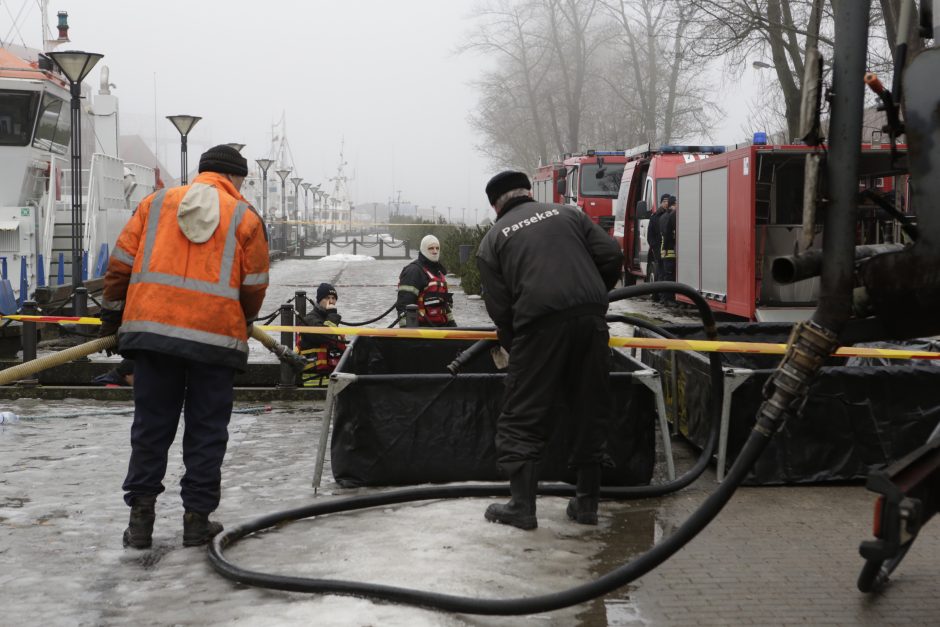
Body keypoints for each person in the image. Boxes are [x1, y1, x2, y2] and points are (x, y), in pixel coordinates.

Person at [99, 144, 269, 549]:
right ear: (235, 178)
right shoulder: (245, 217)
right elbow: (255, 284)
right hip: (215, 342)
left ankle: (140, 521)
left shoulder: (155, 203)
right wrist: (240, 319)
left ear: (202, 171)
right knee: (207, 431)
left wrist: (112, 314)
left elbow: (120, 263)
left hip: (153, 336)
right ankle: (196, 520)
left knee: (151, 428)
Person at [476, 170, 622, 530]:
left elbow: (500, 307)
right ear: (527, 192)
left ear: (496, 204)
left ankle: (522, 507)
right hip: (590, 322)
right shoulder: (569, 214)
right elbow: (611, 255)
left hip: (538, 327)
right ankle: (587, 505)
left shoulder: (493, 240)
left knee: (522, 415)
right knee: (590, 407)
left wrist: (517, 346)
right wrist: (590, 296)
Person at [395, 234, 456, 326]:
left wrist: (453, 326)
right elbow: (404, 305)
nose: (435, 251)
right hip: (422, 330)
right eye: (431, 248)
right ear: (423, 250)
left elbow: (445, 306)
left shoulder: (439, 273)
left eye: (437, 248)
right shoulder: (414, 271)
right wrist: (408, 333)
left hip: (440, 329)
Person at [296, 282, 346, 386]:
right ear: (319, 300)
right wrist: (332, 315)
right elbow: (324, 336)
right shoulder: (309, 320)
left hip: (330, 381)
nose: (331, 301)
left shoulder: (329, 319)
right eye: (327, 298)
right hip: (312, 383)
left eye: (333, 298)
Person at [646, 193, 670, 302]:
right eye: (664, 201)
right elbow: (650, 236)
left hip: (668, 249)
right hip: (658, 249)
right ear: (661, 202)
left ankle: (666, 295)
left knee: (667, 273)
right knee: (660, 272)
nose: (666, 203)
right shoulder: (655, 217)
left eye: (667, 201)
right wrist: (655, 248)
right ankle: (660, 296)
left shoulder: (671, 214)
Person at [659, 196, 678, 305]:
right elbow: (667, 234)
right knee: (669, 276)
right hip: (669, 250)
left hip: (665, 250)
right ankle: (668, 299)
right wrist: (666, 248)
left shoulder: (663, 216)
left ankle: (665, 298)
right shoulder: (671, 216)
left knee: (666, 275)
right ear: (674, 204)